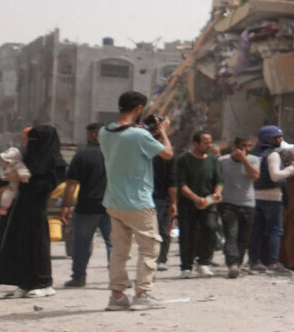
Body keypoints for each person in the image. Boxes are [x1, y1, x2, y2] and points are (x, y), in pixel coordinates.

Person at [99, 92, 177, 310]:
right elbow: (168, 154)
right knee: (149, 249)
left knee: (119, 251)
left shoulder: (104, 132)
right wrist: (162, 132)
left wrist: (148, 133)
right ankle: (142, 295)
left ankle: (116, 296)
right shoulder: (139, 135)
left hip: (114, 200)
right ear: (139, 108)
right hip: (139, 202)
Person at [0, 124, 65, 298]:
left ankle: (43, 283)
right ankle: (24, 282)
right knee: (19, 245)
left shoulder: (55, 162)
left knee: (37, 245)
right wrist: (7, 181)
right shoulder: (25, 160)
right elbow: (3, 178)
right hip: (19, 209)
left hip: (36, 210)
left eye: (34, 140)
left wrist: (24, 180)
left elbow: (45, 186)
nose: (31, 144)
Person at [58, 123, 111, 288]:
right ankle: (117, 277)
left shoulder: (83, 155)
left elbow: (72, 183)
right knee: (113, 243)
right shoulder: (116, 154)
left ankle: (79, 277)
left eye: (88, 135)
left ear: (94, 136)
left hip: (87, 206)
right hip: (112, 206)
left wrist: (66, 205)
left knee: (82, 243)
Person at [174, 132, 222, 277]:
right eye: (205, 143)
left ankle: (204, 263)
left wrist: (217, 193)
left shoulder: (213, 160)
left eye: (210, 142)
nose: (209, 146)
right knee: (188, 234)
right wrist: (195, 199)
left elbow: (219, 180)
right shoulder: (183, 159)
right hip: (188, 203)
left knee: (209, 228)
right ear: (195, 143)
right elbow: (180, 183)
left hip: (209, 202)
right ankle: (186, 266)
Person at [249, 125, 294, 271]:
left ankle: (254, 261)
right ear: (270, 139)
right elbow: (275, 176)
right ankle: (274, 262)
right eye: (278, 137)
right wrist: (292, 169)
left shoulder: (254, 155)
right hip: (273, 197)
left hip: (255, 197)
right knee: (275, 230)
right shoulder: (273, 155)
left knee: (257, 231)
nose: (280, 139)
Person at [216, 137, 257, 278]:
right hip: (228, 203)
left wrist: (244, 160)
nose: (246, 149)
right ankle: (232, 264)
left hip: (247, 203)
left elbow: (255, 175)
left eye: (248, 146)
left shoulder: (253, 160)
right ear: (235, 147)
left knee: (244, 237)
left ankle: (237, 264)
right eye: (243, 146)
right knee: (231, 235)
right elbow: (217, 180)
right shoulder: (223, 161)